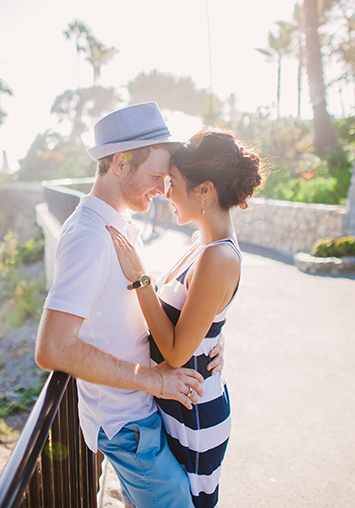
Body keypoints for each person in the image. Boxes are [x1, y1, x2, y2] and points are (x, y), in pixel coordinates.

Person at [35, 102, 223, 508]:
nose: (163, 189)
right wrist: (156, 381)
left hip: (141, 412)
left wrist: (204, 338)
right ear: (120, 163)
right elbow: (53, 348)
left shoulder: (116, 226)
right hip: (126, 423)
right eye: (156, 176)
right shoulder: (89, 237)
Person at [106, 128, 264, 508]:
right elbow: (196, 321)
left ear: (205, 190)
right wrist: (213, 339)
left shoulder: (217, 256)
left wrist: (140, 278)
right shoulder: (202, 244)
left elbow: (176, 352)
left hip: (194, 415)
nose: (164, 191)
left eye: (173, 182)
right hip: (182, 401)